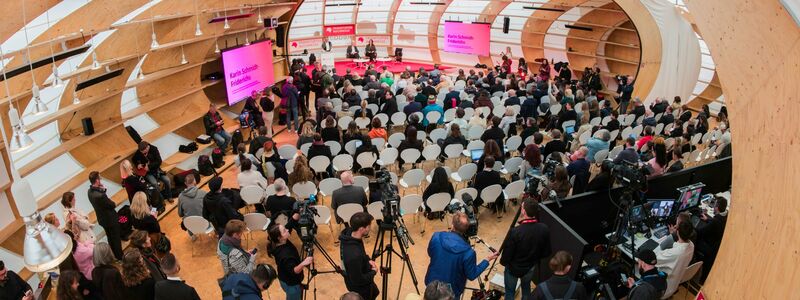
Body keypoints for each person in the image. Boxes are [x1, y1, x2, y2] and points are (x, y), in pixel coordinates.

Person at [425, 212, 499, 299]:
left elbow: (430, 253)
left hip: (431, 284)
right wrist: (487, 260)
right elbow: (471, 275)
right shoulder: (469, 252)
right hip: (451, 293)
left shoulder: (436, 236)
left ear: (452, 225)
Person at [501, 199, 552, 299]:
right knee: (526, 289)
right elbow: (546, 252)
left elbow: (506, 257)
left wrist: (504, 262)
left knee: (510, 292)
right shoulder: (544, 229)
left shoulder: (515, 232)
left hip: (513, 269)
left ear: (523, 211)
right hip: (530, 268)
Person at [267, 225, 314, 300]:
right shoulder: (285, 255)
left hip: (284, 278)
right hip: (291, 285)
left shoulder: (279, 242)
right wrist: (304, 263)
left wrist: (293, 218)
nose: (287, 230)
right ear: (279, 237)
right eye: (284, 231)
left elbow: (288, 225)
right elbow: (294, 271)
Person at [339, 212, 379, 300]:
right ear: (361, 229)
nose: (370, 228)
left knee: (375, 292)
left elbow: (361, 253)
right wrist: (373, 272)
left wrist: (367, 259)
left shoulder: (350, 234)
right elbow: (358, 280)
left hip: (358, 271)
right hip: (360, 288)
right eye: (369, 226)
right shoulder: (354, 255)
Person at [87, 171, 123, 259]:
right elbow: (111, 205)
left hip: (102, 219)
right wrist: (104, 193)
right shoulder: (100, 196)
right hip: (110, 219)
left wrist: (103, 190)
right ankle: (120, 257)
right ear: (97, 181)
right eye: (100, 178)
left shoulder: (89, 191)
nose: (101, 179)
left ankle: (114, 255)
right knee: (116, 239)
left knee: (110, 238)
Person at [656, 221, 695, 298]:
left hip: (663, 287)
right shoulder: (692, 246)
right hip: (674, 285)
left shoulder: (674, 253)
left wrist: (671, 236)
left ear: (677, 231)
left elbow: (654, 259)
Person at [695, 197, 728, 276]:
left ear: (717, 207)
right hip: (716, 245)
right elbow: (716, 223)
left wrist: (689, 225)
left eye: (714, 205)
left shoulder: (715, 221)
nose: (713, 207)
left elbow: (700, 232)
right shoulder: (725, 216)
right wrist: (707, 220)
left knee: (695, 237)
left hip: (709, 246)